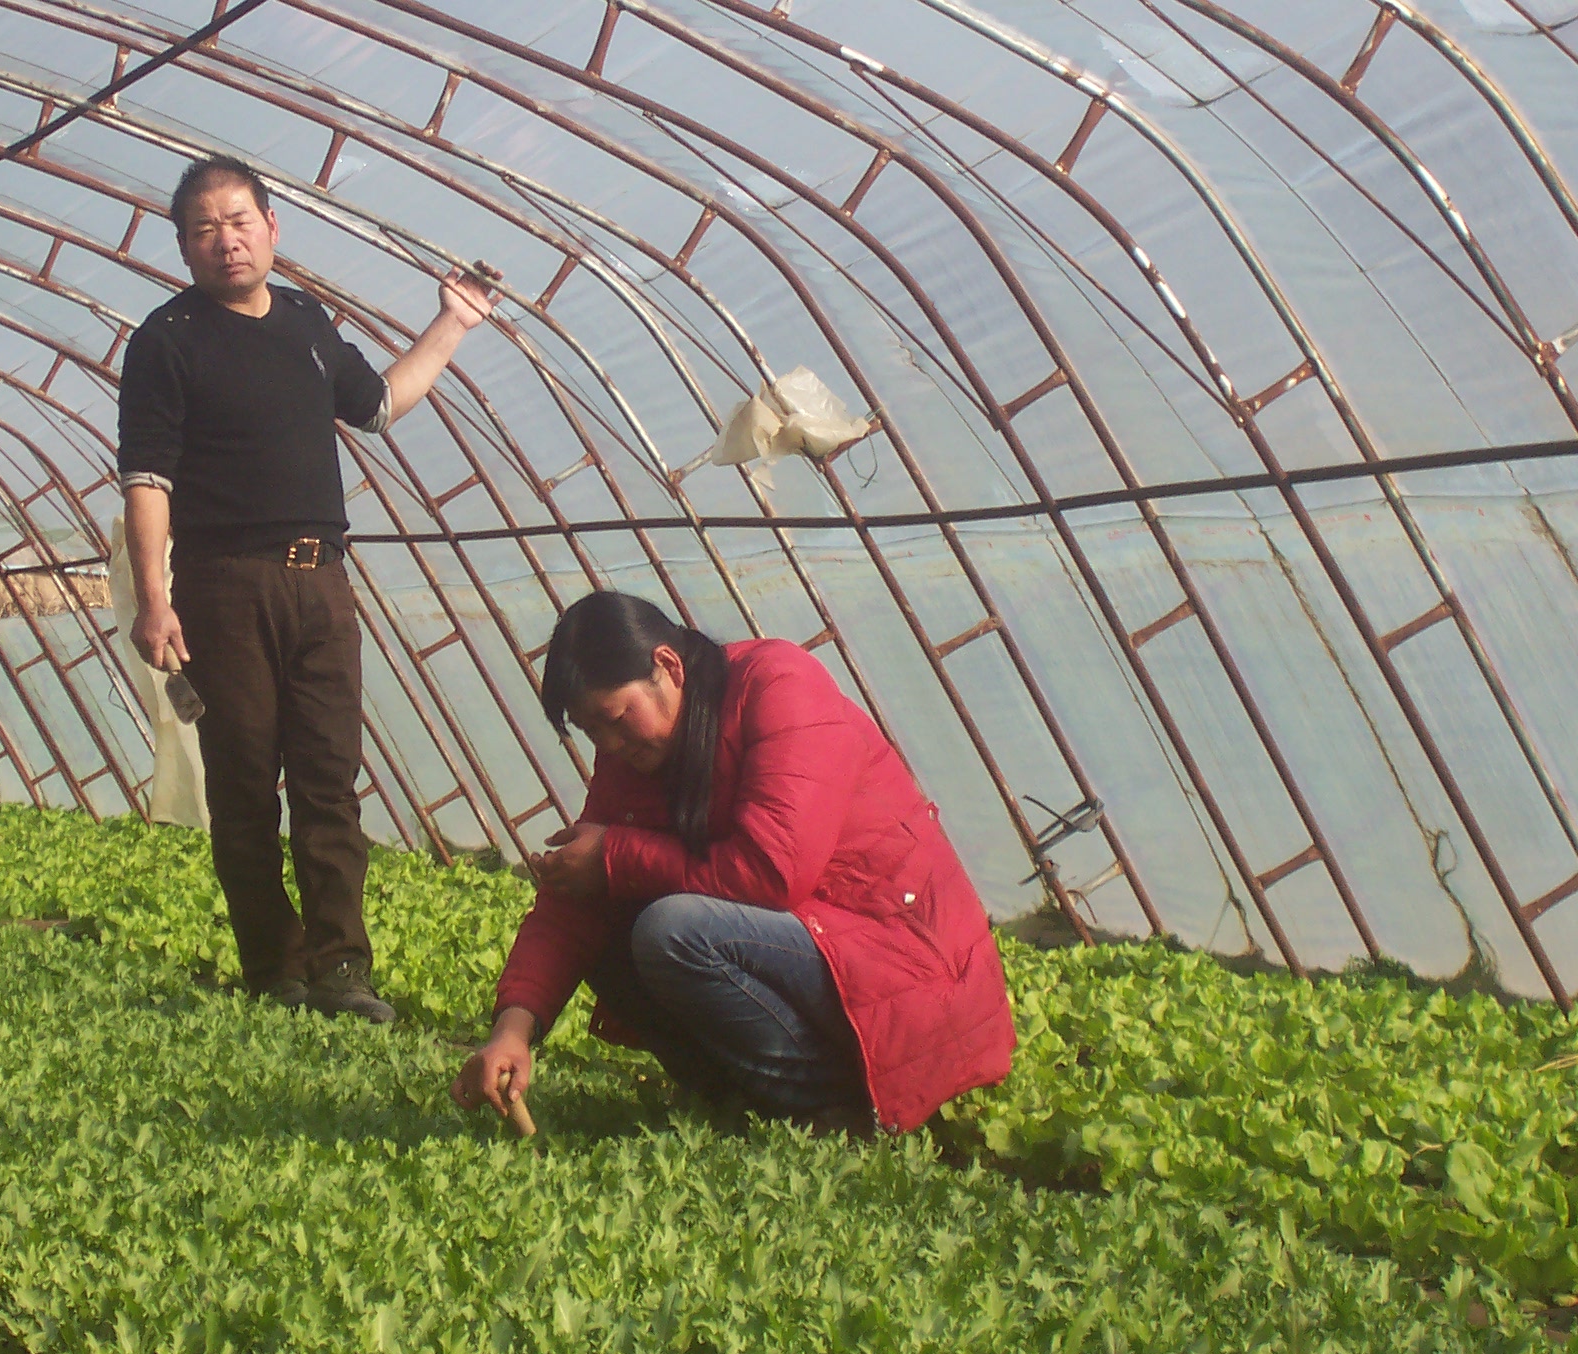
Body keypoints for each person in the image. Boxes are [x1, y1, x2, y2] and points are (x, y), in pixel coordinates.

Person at [118, 154, 496, 1023]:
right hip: (223, 587)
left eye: (239, 221)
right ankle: (273, 969)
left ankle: (341, 970)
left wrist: (452, 323)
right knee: (246, 781)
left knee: (329, 778)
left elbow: (379, 406)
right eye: (205, 229)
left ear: (271, 227)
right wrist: (154, 598)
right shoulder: (167, 340)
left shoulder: (307, 322)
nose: (227, 241)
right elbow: (147, 479)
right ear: (183, 246)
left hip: (320, 581)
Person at [452, 592, 1016, 1133]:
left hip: (902, 958)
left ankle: (830, 1109)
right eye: (591, 731)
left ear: (668, 666)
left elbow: (773, 871)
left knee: (672, 931)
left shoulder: (780, 686)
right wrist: (512, 1030)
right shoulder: (635, 754)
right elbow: (576, 897)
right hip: (816, 946)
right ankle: (734, 1098)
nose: (610, 744)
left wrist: (616, 856)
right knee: (610, 923)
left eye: (617, 718)